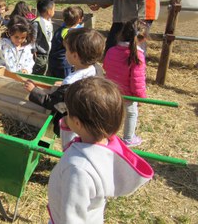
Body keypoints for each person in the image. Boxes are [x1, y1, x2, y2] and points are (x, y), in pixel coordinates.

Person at [47, 76, 154, 224]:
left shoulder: (78, 170)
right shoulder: (104, 147)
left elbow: (72, 218)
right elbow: (71, 148)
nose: (66, 115)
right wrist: (67, 126)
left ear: (77, 122)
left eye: (68, 112)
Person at [25, 28, 105, 148]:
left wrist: (34, 90)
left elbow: (54, 102)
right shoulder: (96, 69)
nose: (65, 52)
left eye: (66, 50)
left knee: (70, 146)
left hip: (73, 123)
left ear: (75, 56)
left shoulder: (71, 82)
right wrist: (63, 84)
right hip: (90, 119)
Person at [103, 19, 147, 147]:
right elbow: (137, 79)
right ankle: (128, 138)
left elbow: (106, 66)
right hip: (128, 94)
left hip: (112, 91)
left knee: (113, 113)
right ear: (143, 38)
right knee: (131, 113)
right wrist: (139, 97)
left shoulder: (112, 50)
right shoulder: (136, 56)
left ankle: (107, 135)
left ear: (121, 33)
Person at [48, 6, 84, 78]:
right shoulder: (71, 33)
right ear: (79, 20)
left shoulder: (60, 30)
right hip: (64, 63)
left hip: (53, 61)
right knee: (65, 83)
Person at [31, 0, 55, 75]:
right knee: (38, 73)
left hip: (47, 54)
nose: (54, 11)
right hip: (39, 55)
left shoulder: (48, 21)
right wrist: (33, 51)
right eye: (53, 9)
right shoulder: (37, 23)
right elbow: (33, 38)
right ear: (48, 11)